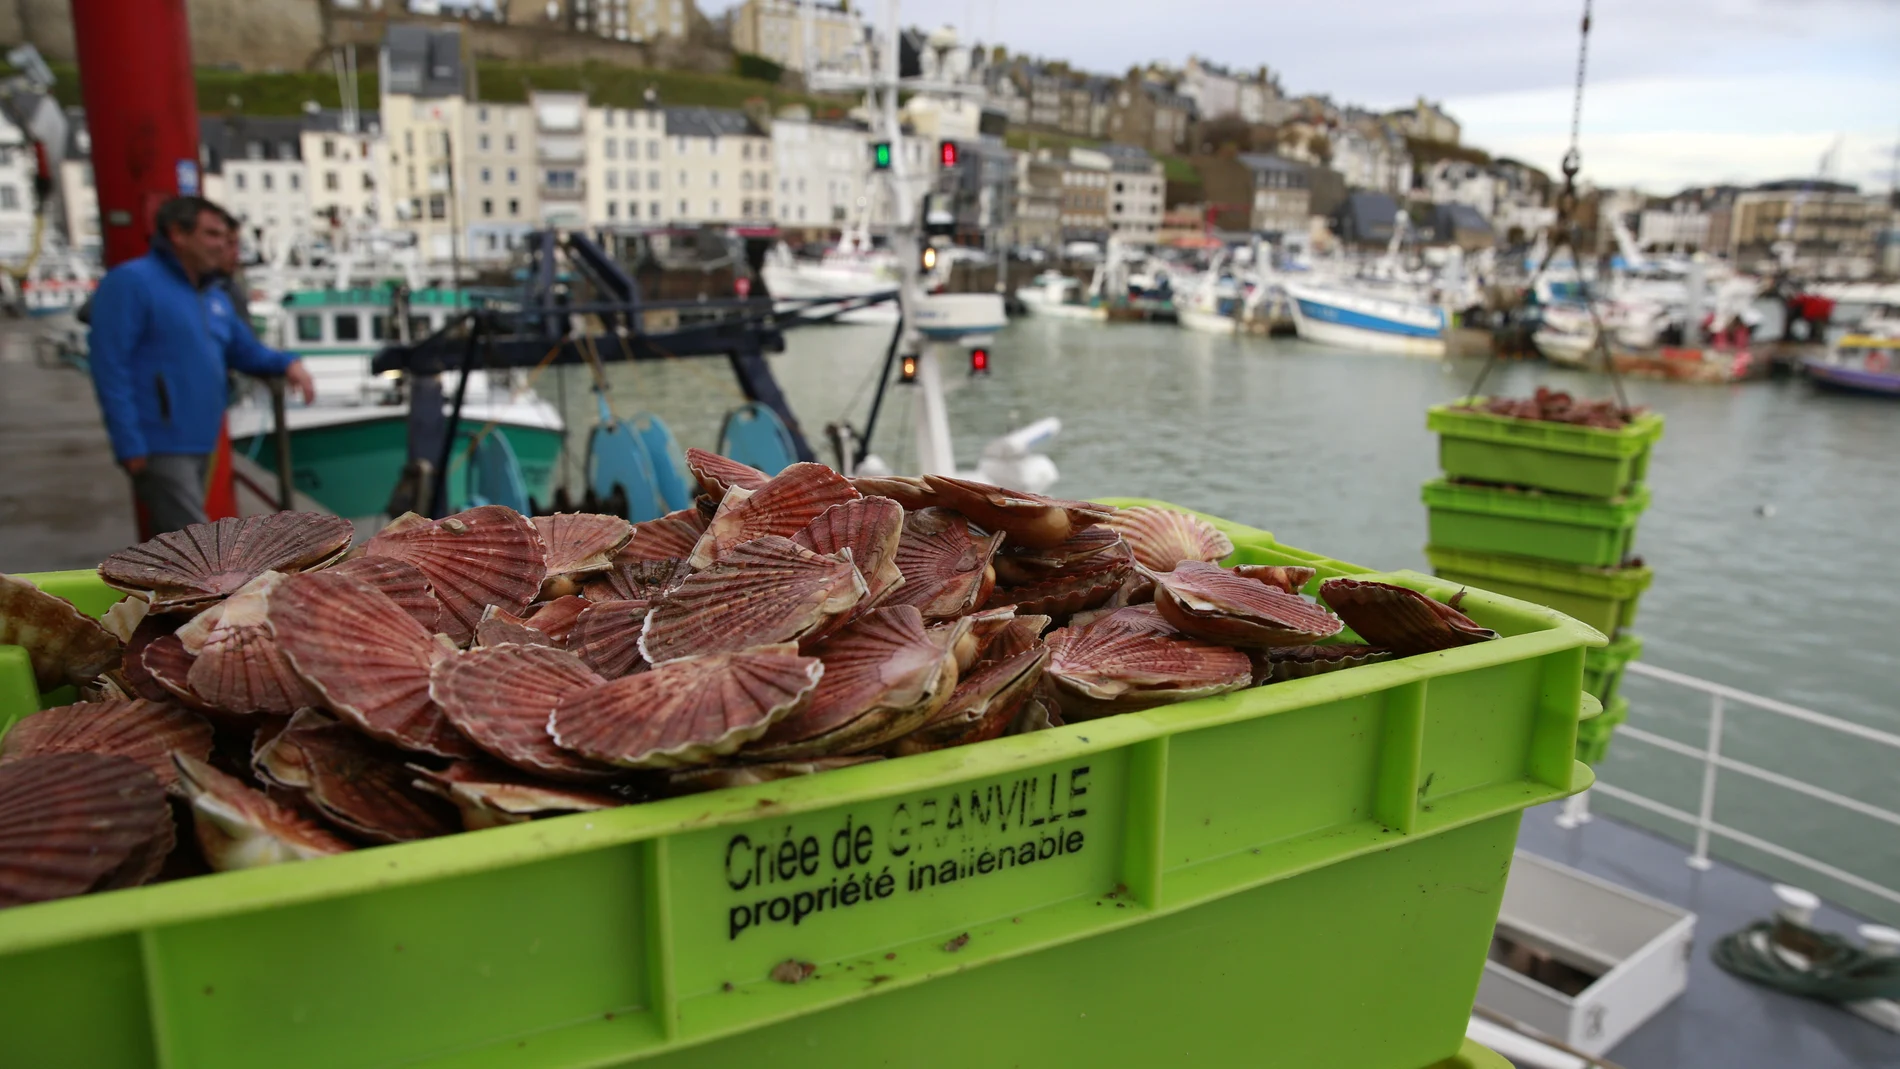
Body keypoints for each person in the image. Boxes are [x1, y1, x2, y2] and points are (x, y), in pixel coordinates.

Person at [86, 196, 316, 534]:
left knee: (174, 544)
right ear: (177, 233)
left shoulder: (212, 295)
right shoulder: (131, 283)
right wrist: (129, 442)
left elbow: (245, 350)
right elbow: (110, 365)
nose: (222, 244)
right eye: (211, 234)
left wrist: (288, 363)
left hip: (200, 438)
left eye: (224, 236)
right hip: (159, 441)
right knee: (193, 543)